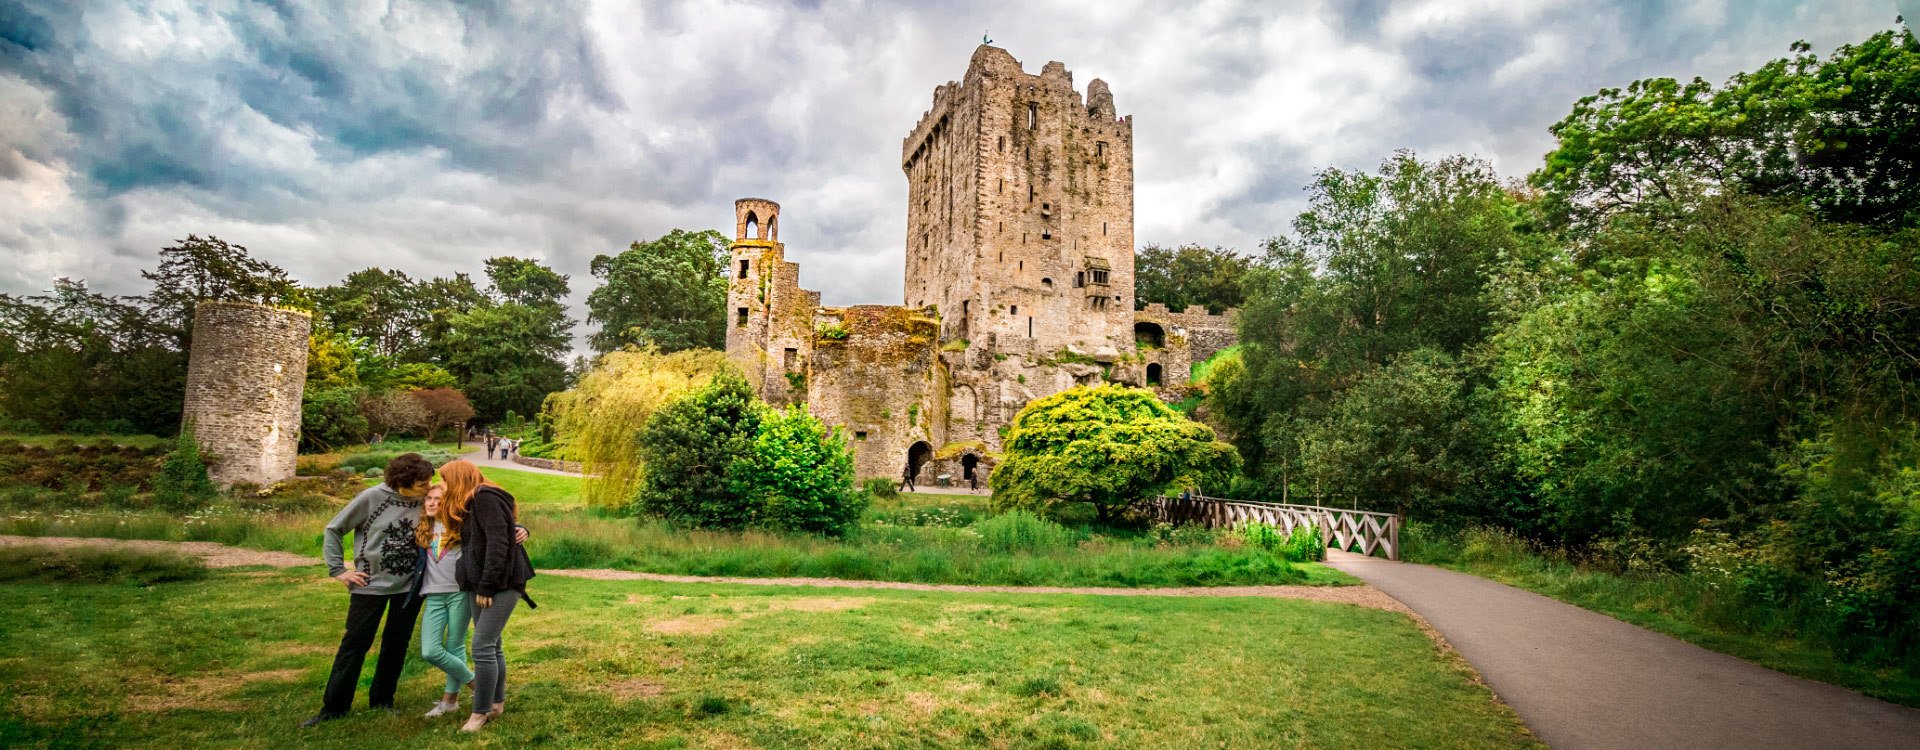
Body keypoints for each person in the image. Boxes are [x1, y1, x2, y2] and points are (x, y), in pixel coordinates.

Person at [302, 453, 435, 728]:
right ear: (403, 481)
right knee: (354, 646)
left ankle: (383, 701)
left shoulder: (426, 499)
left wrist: (518, 528)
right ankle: (334, 708)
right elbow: (334, 529)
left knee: (396, 646)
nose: (428, 486)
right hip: (369, 585)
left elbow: (463, 516)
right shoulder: (372, 498)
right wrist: (339, 570)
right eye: (422, 483)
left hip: (409, 587)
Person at [441, 460, 537, 733]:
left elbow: (499, 543)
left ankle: (479, 712)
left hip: (499, 583)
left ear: (459, 478)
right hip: (478, 582)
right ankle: (496, 703)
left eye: (446, 480)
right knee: (492, 646)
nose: (444, 486)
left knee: (482, 647)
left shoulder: (485, 498)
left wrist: (487, 586)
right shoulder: (469, 504)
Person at [408, 484, 472, 719]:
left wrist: (521, 528)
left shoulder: (462, 527)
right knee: (430, 650)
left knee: (455, 646)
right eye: (429, 499)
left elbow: (495, 527)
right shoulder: (423, 527)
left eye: (438, 499)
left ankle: (450, 701)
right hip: (433, 594)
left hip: (459, 593)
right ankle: (477, 686)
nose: (432, 503)